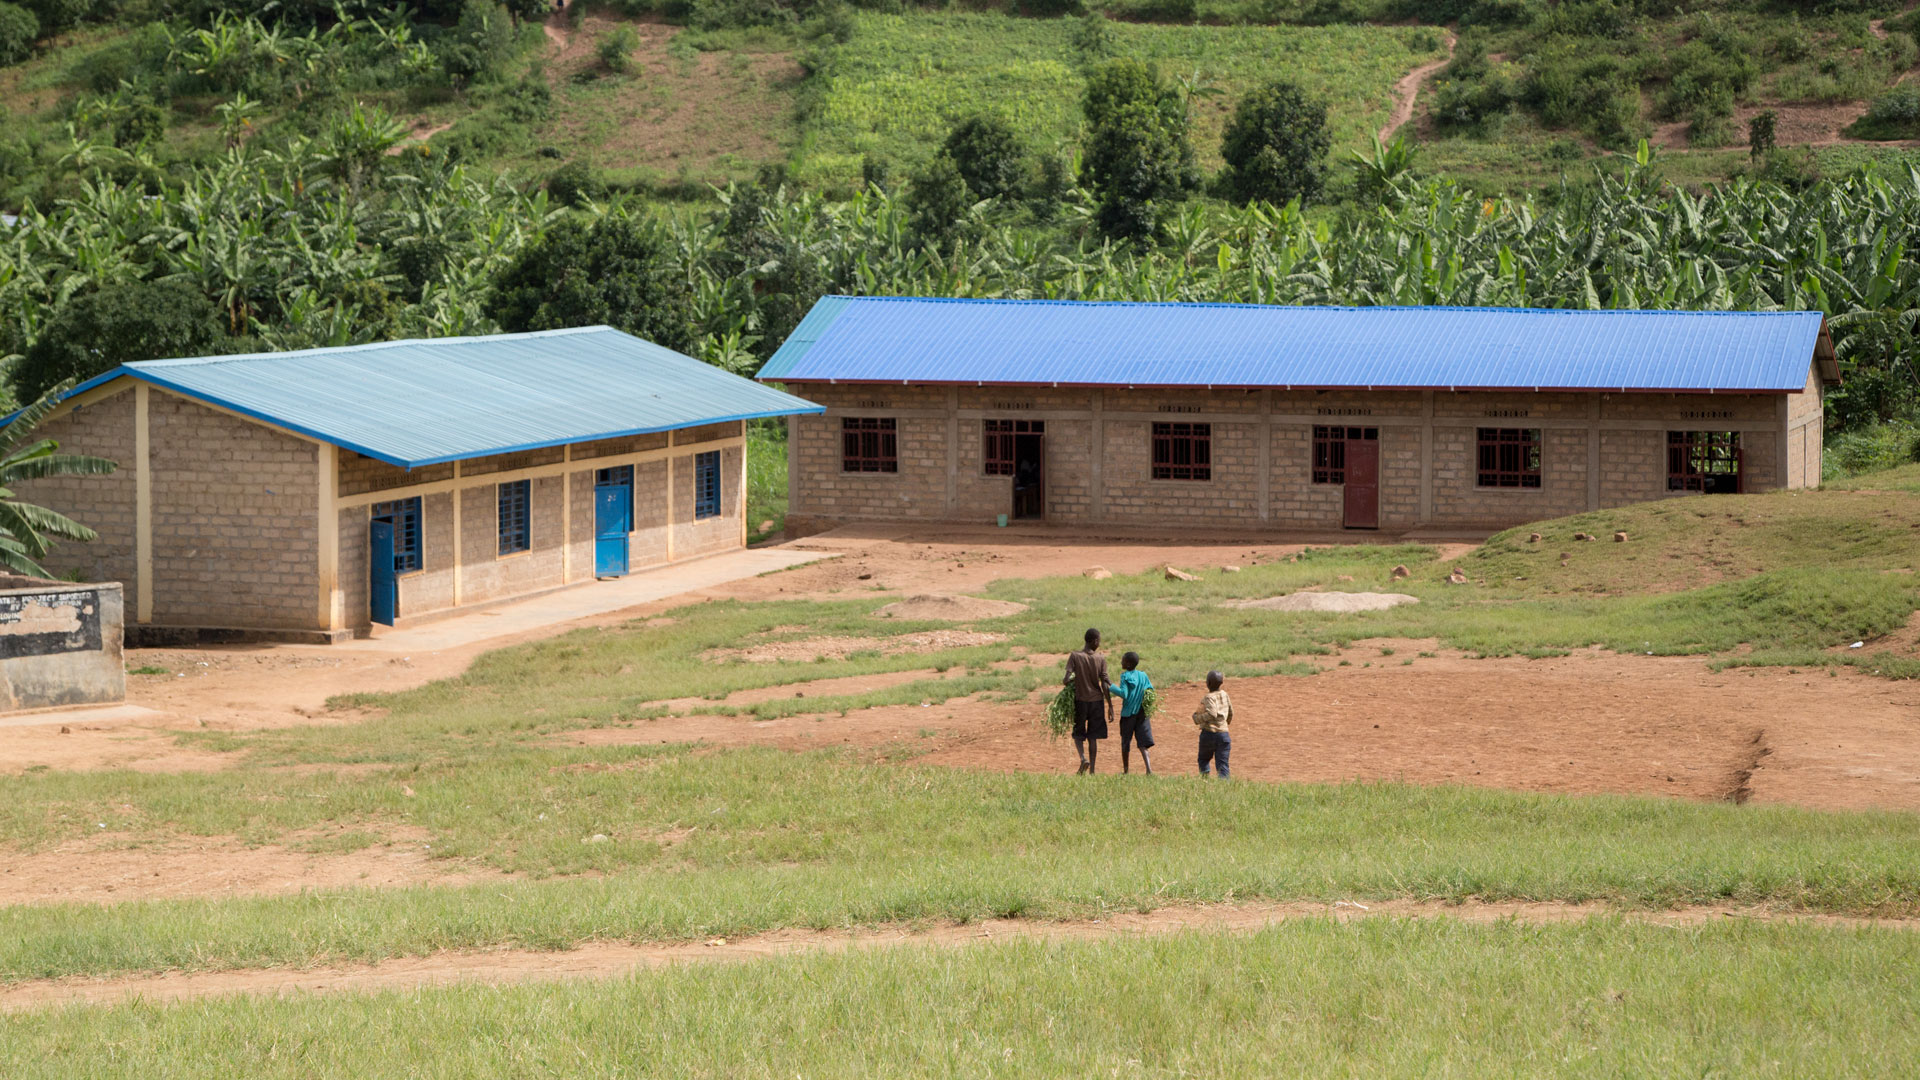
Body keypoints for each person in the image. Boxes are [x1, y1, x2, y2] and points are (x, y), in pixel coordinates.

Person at [1063, 627, 1113, 774]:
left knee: (1078, 733)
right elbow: (1105, 683)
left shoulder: (1075, 656)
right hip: (1097, 702)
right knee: (1093, 736)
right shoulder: (1100, 658)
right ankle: (1092, 771)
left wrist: (1075, 680)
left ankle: (1083, 758)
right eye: (1099, 641)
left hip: (1081, 701)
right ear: (1094, 641)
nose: (1099, 643)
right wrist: (1110, 705)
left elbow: (1066, 680)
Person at [1108, 651, 1154, 775]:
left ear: (1128, 664)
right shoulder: (1143, 675)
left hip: (1128, 714)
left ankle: (1126, 770)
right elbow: (1150, 690)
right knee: (1142, 742)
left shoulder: (1125, 676)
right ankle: (1148, 769)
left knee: (1125, 741)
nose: (1121, 662)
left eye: (1123, 660)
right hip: (1142, 713)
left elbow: (1124, 694)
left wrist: (1110, 686)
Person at [1192, 670, 1232, 779]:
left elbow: (1212, 714)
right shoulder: (1225, 694)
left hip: (1209, 734)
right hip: (1224, 735)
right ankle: (1224, 785)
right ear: (1221, 682)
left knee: (1203, 759)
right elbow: (1230, 712)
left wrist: (1197, 719)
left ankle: (1205, 781)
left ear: (1208, 683)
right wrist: (1225, 724)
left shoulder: (1208, 697)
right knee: (1223, 764)